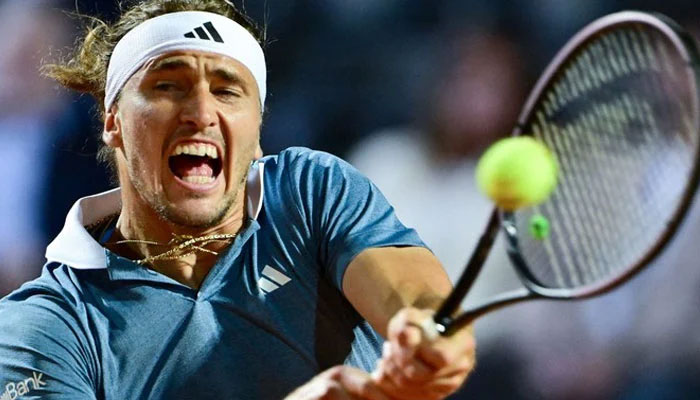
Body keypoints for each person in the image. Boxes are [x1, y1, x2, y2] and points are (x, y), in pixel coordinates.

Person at [0, 1, 474, 399]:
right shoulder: (41, 324)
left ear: (258, 134)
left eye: (228, 91)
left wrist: (429, 337)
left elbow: (423, 303)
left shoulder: (311, 192)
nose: (202, 112)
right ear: (113, 121)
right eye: (168, 86)